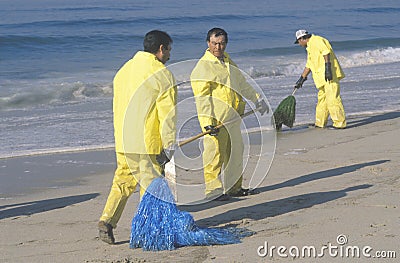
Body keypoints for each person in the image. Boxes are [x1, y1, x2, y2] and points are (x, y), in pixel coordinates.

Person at [98, 30, 177, 244]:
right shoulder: (162, 73)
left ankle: (107, 220)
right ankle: (145, 230)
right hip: (146, 141)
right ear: (161, 49)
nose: (170, 55)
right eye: (169, 50)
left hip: (124, 139)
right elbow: (167, 114)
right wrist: (169, 145)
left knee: (123, 180)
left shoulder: (124, 70)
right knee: (149, 185)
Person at [190, 28, 268, 201]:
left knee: (235, 154)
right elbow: (202, 99)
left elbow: (242, 83)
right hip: (215, 122)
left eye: (222, 43)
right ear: (208, 43)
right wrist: (206, 124)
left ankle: (234, 188)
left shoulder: (229, 62)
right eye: (214, 43)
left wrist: (257, 100)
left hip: (233, 118)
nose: (218, 47)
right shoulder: (203, 67)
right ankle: (214, 191)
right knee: (214, 156)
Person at [293, 29, 346, 129]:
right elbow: (309, 65)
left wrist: (328, 69)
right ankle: (320, 123)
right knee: (322, 101)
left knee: (332, 99)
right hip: (321, 79)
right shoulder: (309, 47)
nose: (299, 44)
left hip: (329, 76)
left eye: (299, 41)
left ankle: (340, 123)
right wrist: (302, 78)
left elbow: (326, 52)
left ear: (302, 38)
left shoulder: (317, 40)